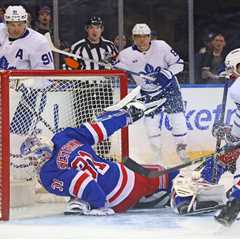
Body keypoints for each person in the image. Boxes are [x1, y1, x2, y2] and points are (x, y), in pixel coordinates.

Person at [20, 98, 178, 215]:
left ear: (42, 153)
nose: (34, 162)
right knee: (160, 173)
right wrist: (126, 117)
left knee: (82, 191)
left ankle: (149, 197)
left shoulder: (47, 174)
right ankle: (180, 188)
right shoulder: (63, 137)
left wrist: (99, 205)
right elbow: (99, 129)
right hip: (125, 179)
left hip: (115, 199)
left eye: (33, 158)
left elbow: (85, 182)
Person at [171, 48, 240, 227]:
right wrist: (227, 132)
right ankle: (203, 190)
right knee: (218, 160)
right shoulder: (237, 88)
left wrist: (228, 135)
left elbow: (236, 135)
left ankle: (235, 201)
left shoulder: (237, 89)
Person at [114, 23, 187, 163]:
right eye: (138, 37)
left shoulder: (162, 46)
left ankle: (182, 150)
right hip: (147, 92)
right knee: (150, 124)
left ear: (150, 37)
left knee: (177, 118)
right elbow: (117, 70)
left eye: (145, 36)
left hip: (169, 87)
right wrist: (114, 65)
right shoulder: (125, 55)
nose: (142, 40)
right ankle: (157, 154)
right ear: (133, 38)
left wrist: (167, 72)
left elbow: (179, 63)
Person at [0, 5, 54, 177]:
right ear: (5, 22)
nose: (15, 28)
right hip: (4, 93)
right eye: (11, 24)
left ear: (26, 22)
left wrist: (25, 83)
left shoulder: (38, 42)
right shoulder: (1, 32)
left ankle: (22, 174)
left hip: (28, 97)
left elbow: (46, 77)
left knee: (18, 137)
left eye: (20, 24)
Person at [68, 16, 119, 159]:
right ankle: (84, 153)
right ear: (87, 29)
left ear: (102, 29)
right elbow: (69, 67)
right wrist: (77, 67)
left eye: (97, 27)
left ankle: (103, 154)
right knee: (83, 121)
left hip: (104, 88)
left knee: (104, 120)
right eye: (91, 27)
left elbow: (117, 64)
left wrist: (111, 67)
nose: (94, 30)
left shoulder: (109, 46)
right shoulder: (78, 47)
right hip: (84, 88)